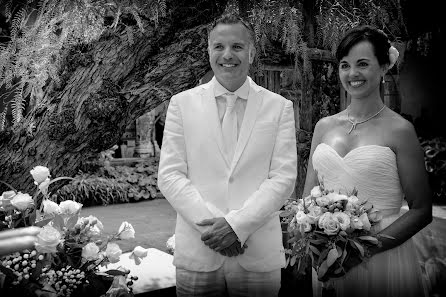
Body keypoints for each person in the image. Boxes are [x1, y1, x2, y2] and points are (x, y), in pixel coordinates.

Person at [157, 13, 297, 297]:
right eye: (218, 46)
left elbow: (283, 178)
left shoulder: (279, 107)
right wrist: (214, 230)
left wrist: (237, 226)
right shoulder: (181, 105)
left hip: (257, 254)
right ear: (208, 51)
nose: (227, 55)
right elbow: (170, 175)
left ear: (252, 52)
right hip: (198, 250)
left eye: (237, 46)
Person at [303, 25, 432, 297]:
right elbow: (307, 198)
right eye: (344, 65)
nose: (352, 74)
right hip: (329, 257)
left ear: (384, 67)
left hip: (383, 258)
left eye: (363, 64)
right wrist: (313, 242)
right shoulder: (323, 126)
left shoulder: (400, 130)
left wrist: (360, 250)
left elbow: (422, 210)